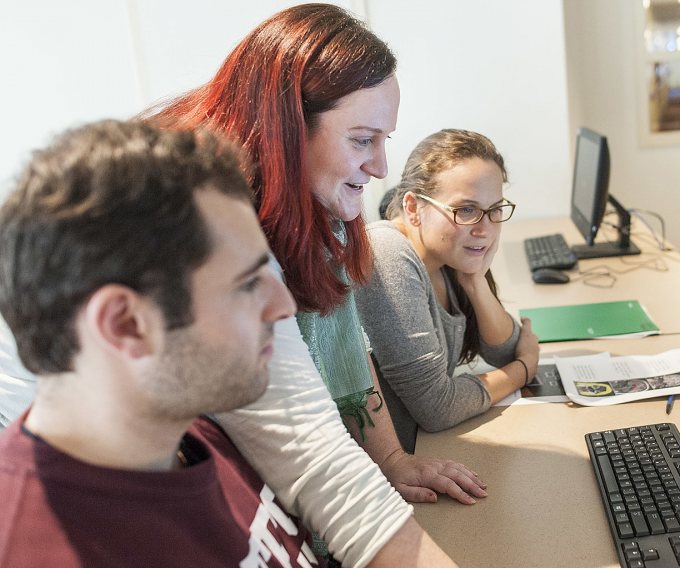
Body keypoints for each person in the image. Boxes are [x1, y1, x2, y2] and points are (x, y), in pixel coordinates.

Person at [0, 120, 456, 566]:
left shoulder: (189, 426)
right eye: (244, 284)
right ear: (125, 325)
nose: (282, 306)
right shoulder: (42, 548)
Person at [355, 129, 540, 452]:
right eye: (466, 210)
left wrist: (475, 282)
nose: (484, 228)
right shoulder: (387, 253)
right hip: (393, 469)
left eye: (495, 209)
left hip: (429, 449)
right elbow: (438, 408)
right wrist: (523, 371)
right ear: (412, 208)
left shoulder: (446, 256)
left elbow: (503, 352)